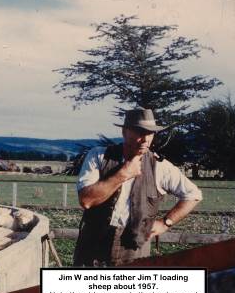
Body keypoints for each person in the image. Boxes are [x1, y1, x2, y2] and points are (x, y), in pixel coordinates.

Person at [73, 108, 202, 266]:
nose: (145, 139)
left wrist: (165, 223)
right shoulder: (99, 156)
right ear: (124, 132)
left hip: (134, 250)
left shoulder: (160, 167)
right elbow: (86, 200)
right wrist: (124, 173)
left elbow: (193, 194)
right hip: (92, 248)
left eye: (150, 133)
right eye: (139, 132)